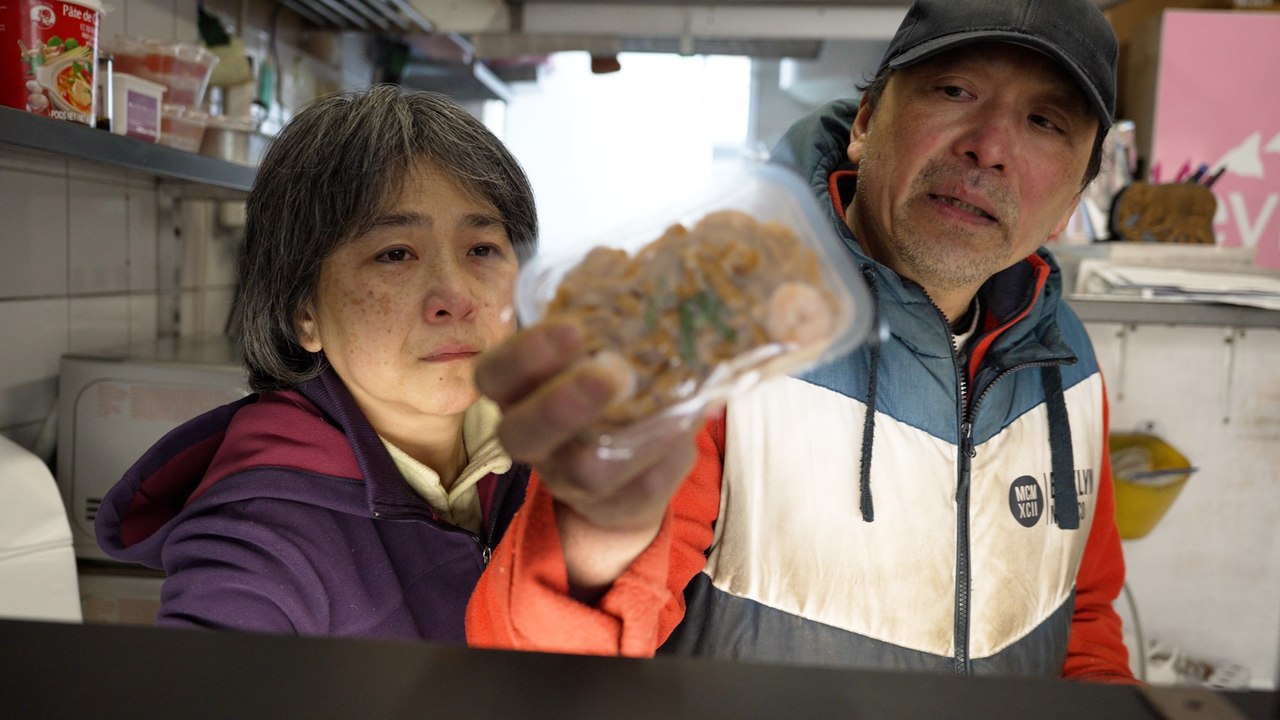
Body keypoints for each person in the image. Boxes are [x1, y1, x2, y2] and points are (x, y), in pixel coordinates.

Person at [467, 0, 1135, 681]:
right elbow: (544, 673)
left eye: (1045, 122)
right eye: (955, 90)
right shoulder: (727, 331)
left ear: (1073, 200)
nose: (988, 147)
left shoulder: (1065, 361)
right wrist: (592, 535)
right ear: (866, 123)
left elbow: (1082, 620)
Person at [95, 84, 538, 640]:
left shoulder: (558, 449)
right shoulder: (261, 533)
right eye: (395, 254)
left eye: (482, 249)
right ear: (304, 312)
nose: (456, 295)